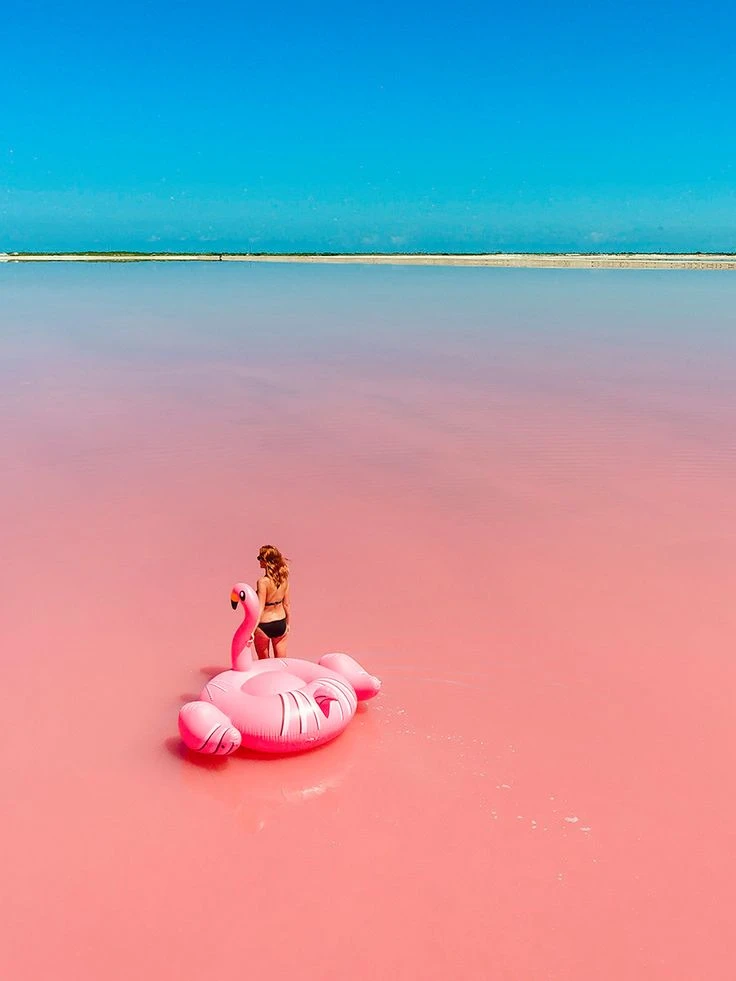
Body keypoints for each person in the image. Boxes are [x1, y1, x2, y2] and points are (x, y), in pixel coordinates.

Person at [250, 544, 290, 659]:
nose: (258, 561)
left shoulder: (262, 582)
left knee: (264, 664)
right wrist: (288, 624)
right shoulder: (284, 579)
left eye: (260, 558)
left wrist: (251, 631)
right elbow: (287, 605)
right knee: (282, 663)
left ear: (266, 561)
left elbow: (260, 608)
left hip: (264, 625)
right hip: (280, 623)